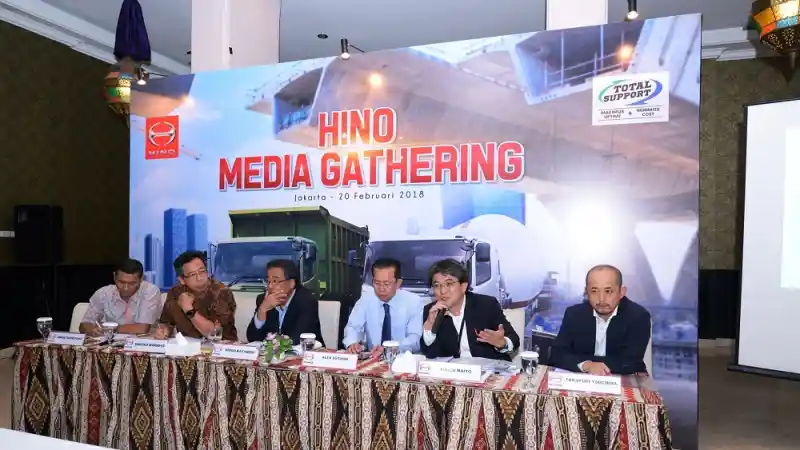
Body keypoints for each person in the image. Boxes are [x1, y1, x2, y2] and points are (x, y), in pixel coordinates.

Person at [550, 264, 651, 375]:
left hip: (623, 378)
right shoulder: (574, 314)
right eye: (594, 291)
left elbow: (630, 362)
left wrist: (582, 360)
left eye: (608, 291)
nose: (601, 299)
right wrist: (587, 365)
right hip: (581, 378)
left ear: (622, 292)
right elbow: (557, 354)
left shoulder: (638, 316)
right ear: (586, 292)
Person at [420, 259, 520, 361]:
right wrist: (429, 328)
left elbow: (514, 340)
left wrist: (502, 343)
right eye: (436, 285)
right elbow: (429, 354)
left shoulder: (486, 305)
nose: (442, 291)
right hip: (453, 369)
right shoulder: (431, 311)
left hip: (488, 368)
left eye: (449, 284)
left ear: (463, 286)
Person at [342, 258, 423, 355]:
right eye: (377, 283)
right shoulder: (365, 300)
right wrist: (352, 343)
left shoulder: (413, 302)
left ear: (398, 283)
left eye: (387, 284)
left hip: (402, 358)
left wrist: (395, 348)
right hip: (373, 357)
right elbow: (353, 327)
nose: (381, 288)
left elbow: (415, 338)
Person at [154, 251, 237, 341]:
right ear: (182, 280)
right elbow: (166, 322)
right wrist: (164, 330)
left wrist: (189, 310)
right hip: (187, 347)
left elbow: (214, 333)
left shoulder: (222, 292)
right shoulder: (176, 292)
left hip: (222, 347)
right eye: (192, 274)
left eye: (202, 271)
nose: (199, 278)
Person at [246, 259, 325, 346]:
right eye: (268, 281)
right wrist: (262, 310)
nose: (270, 286)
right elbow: (252, 338)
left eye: (275, 281)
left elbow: (298, 339)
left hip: (307, 352)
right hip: (271, 353)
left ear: (292, 283)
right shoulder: (263, 300)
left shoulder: (307, 301)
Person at [79, 258, 162, 336]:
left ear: (141, 279)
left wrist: (108, 329)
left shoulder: (150, 291)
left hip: (143, 343)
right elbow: (84, 325)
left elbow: (142, 329)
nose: (126, 288)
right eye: (121, 282)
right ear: (114, 276)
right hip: (109, 343)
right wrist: (91, 329)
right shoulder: (103, 294)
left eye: (132, 283)